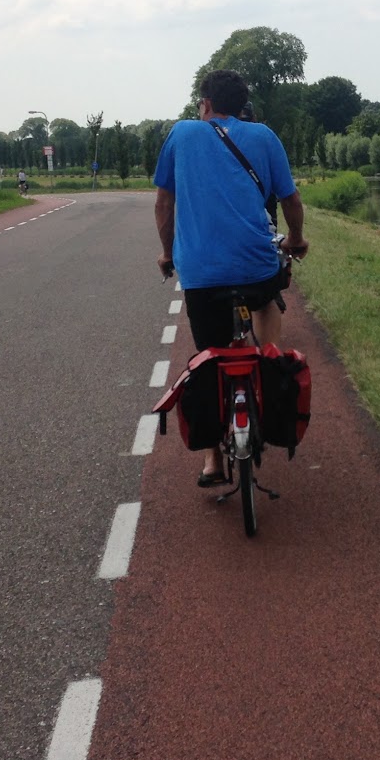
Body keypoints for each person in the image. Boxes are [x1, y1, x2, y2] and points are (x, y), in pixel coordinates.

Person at [154, 69, 309, 487]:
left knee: (208, 357)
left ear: (205, 103)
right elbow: (291, 200)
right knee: (267, 300)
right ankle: (269, 360)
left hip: (202, 274)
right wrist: (296, 239)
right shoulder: (264, 136)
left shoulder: (182, 134)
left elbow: (164, 203)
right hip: (256, 266)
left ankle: (212, 461)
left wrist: (168, 253)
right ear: (241, 106)